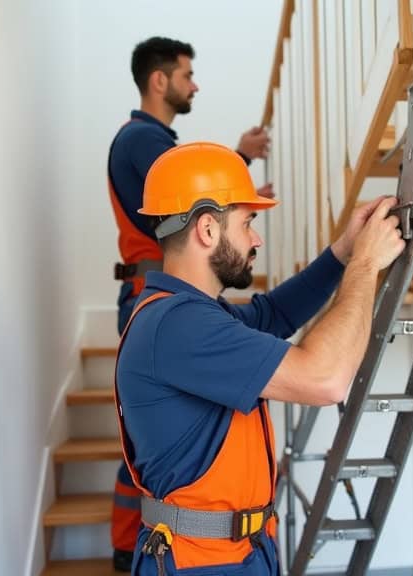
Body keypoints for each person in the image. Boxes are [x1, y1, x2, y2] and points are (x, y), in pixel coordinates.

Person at [114, 142, 406, 575]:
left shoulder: (195, 315)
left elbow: (274, 314)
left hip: (240, 553)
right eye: (247, 222)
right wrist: (364, 265)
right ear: (208, 230)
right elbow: (326, 379)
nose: (256, 238)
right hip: (203, 562)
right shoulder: (177, 325)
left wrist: (342, 252)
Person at [107, 36, 272, 571]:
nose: (194, 83)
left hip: (154, 285)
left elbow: (196, 203)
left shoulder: (148, 140)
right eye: (186, 74)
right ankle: (130, 545)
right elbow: (187, 195)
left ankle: (131, 545)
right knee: (154, 441)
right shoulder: (141, 141)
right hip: (149, 285)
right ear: (160, 80)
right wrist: (240, 164)